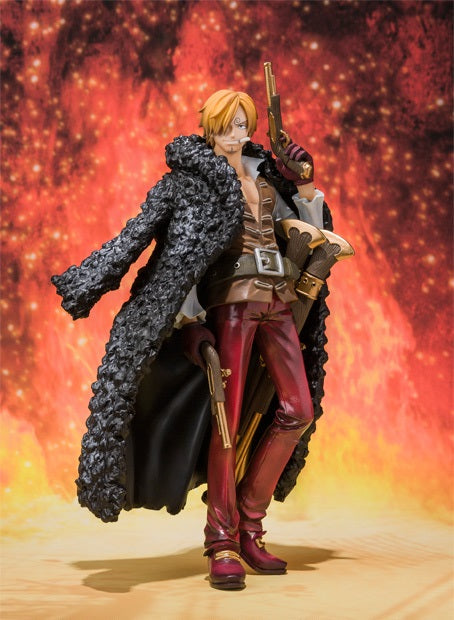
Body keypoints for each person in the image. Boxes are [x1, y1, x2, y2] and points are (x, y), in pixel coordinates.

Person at [51, 89, 332, 591]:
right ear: (209, 128)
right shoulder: (186, 184)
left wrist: (304, 183)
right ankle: (222, 539)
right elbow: (163, 250)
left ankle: (250, 522)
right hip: (232, 306)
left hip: (280, 300)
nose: (236, 134)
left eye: (243, 124)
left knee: (298, 410)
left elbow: (312, 232)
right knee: (226, 424)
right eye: (226, 125)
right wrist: (180, 317)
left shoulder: (268, 179)